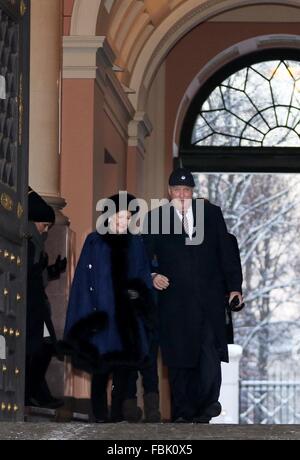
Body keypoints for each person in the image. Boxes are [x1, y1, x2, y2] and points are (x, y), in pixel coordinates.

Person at [142, 168, 243, 423]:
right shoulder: (157, 218)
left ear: (193, 192)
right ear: (169, 192)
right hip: (175, 304)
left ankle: (208, 405)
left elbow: (226, 252)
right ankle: (184, 415)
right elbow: (142, 257)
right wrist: (153, 276)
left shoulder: (211, 215)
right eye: (177, 190)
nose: (183, 195)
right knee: (179, 361)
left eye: (187, 190)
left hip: (208, 302)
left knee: (209, 357)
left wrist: (234, 287)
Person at [63, 192, 155, 423]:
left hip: (126, 316)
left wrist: (140, 300)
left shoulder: (135, 243)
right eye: (119, 217)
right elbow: (85, 279)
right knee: (101, 367)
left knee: (124, 369)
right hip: (101, 314)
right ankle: (100, 413)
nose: (123, 222)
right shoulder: (95, 242)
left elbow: (142, 276)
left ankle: (116, 413)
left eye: (127, 217)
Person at [26, 187, 66, 409]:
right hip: (31, 308)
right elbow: (26, 275)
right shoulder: (29, 242)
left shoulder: (35, 243)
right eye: (44, 225)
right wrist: (41, 268)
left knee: (43, 348)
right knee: (41, 348)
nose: (45, 231)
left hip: (37, 307)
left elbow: (36, 276)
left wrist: (52, 270)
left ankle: (38, 394)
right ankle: (31, 393)